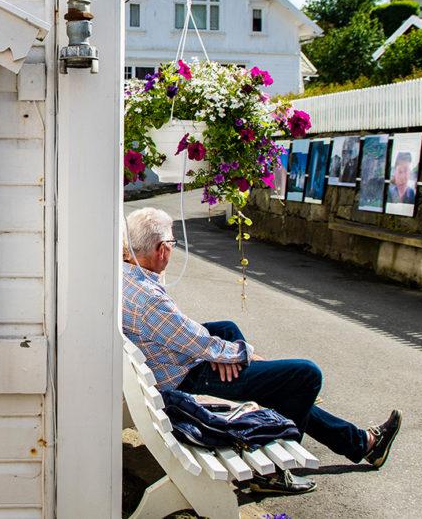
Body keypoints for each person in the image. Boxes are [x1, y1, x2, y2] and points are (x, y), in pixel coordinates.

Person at [122, 207, 402, 496]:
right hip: (186, 384)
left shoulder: (126, 276)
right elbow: (198, 343)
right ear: (161, 250)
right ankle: (272, 474)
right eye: (172, 244)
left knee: (227, 329)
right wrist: (243, 355)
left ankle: (358, 442)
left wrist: (229, 355)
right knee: (306, 375)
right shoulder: (151, 301)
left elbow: (184, 334)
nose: (172, 250)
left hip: (167, 369)